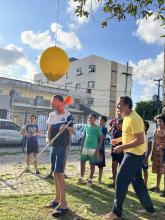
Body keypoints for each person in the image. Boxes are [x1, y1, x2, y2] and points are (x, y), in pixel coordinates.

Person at [104, 96, 155, 220]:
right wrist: (119, 140)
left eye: (119, 104)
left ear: (127, 105)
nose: (117, 106)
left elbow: (140, 140)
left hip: (134, 155)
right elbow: (130, 135)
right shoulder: (126, 117)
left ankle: (116, 212)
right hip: (133, 153)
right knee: (138, 183)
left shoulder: (135, 118)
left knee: (120, 180)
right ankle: (150, 209)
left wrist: (121, 147)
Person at [45, 95, 75, 217]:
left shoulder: (68, 115)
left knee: (59, 172)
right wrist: (48, 140)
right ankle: (57, 199)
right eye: (51, 103)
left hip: (63, 147)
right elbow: (49, 130)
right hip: (53, 147)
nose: (52, 105)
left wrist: (66, 127)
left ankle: (64, 204)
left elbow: (74, 131)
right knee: (55, 173)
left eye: (54, 103)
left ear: (61, 103)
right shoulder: (52, 115)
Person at [78, 113, 103, 187]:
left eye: (91, 118)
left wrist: (97, 150)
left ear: (95, 119)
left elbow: (101, 139)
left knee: (92, 164)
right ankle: (82, 178)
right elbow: (84, 137)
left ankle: (90, 180)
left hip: (93, 149)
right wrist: (81, 147)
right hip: (85, 148)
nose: (89, 119)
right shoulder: (86, 126)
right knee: (82, 162)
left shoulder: (97, 128)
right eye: (89, 118)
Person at [150, 114, 165, 197]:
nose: (159, 122)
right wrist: (152, 153)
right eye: (158, 121)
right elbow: (154, 142)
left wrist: (162, 146)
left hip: (163, 154)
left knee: (163, 171)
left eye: (161, 121)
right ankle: (157, 186)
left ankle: (164, 191)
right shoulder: (156, 130)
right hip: (156, 154)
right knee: (158, 171)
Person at [109, 119, 124, 188]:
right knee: (113, 166)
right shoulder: (115, 131)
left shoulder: (125, 132)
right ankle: (114, 182)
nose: (117, 125)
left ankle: (120, 184)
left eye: (119, 124)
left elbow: (125, 142)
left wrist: (121, 148)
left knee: (121, 169)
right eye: (117, 124)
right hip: (114, 152)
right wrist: (112, 148)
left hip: (122, 153)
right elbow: (113, 142)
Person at [95, 115, 108, 184]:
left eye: (103, 121)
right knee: (92, 164)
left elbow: (101, 137)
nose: (101, 122)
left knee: (100, 165)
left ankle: (99, 179)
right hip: (93, 148)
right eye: (100, 120)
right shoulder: (95, 127)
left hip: (100, 149)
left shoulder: (104, 129)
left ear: (105, 122)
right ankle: (90, 178)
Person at [142, 121, 152, 187]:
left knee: (145, 169)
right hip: (137, 155)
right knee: (137, 171)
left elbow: (150, 148)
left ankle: (145, 184)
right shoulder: (138, 135)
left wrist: (146, 157)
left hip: (144, 156)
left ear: (146, 127)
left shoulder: (149, 136)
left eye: (143, 125)